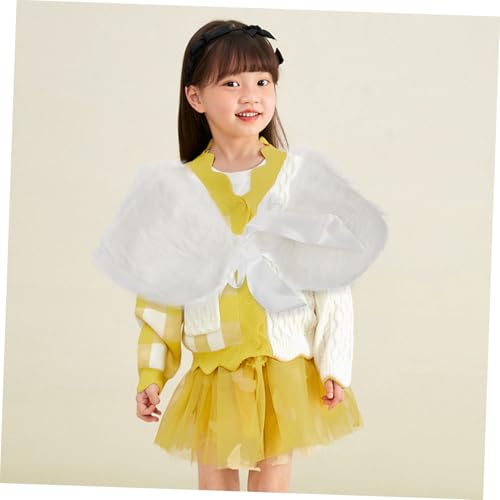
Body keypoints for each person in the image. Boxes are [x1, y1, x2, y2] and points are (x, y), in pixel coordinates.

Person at [92, 19, 388, 493]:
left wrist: (334, 361)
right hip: (216, 367)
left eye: (262, 82)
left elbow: (331, 276)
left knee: (273, 476)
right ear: (195, 97)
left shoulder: (297, 179)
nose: (251, 96)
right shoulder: (179, 191)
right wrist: (152, 373)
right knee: (216, 477)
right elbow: (161, 291)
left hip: (285, 365)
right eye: (231, 83)